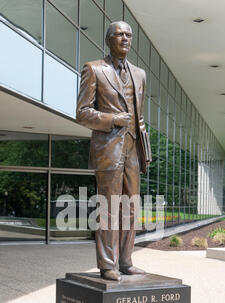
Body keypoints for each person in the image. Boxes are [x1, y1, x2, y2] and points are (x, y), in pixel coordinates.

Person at [76, 21, 152, 281]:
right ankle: (108, 264)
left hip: (133, 149)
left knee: (130, 208)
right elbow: (82, 114)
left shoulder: (140, 74)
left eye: (129, 35)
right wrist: (112, 119)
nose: (125, 39)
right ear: (108, 39)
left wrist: (145, 148)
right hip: (108, 149)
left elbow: (139, 116)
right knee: (109, 208)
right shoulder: (94, 69)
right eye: (119, 34)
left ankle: (126, 260)